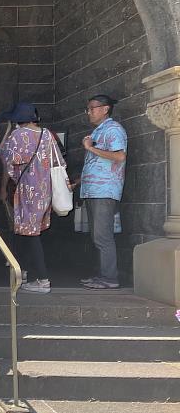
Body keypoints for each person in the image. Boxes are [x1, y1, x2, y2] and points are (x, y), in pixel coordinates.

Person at [0, 102, 64, 294]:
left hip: (27, 190)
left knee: (29, 234)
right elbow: (58, 162)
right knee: (28, 233)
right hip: (45, 190)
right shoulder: (47, 134)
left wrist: (9, 131)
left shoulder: (18, 136)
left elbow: (4, 156)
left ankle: (42, 279)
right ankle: (23, 271)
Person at [78, 94, 127, 290]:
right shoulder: (99, 131)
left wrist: (90, 148)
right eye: (88, 108)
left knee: (102, 236)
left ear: (105, 109)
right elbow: (96, 163)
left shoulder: (114, 129)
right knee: (97, 236)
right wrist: (77, 182)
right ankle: (101, 275)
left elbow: (120, 156)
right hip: (93, 191)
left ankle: (110, 278)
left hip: (104, 191)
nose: (89, 112)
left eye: (92, 108)